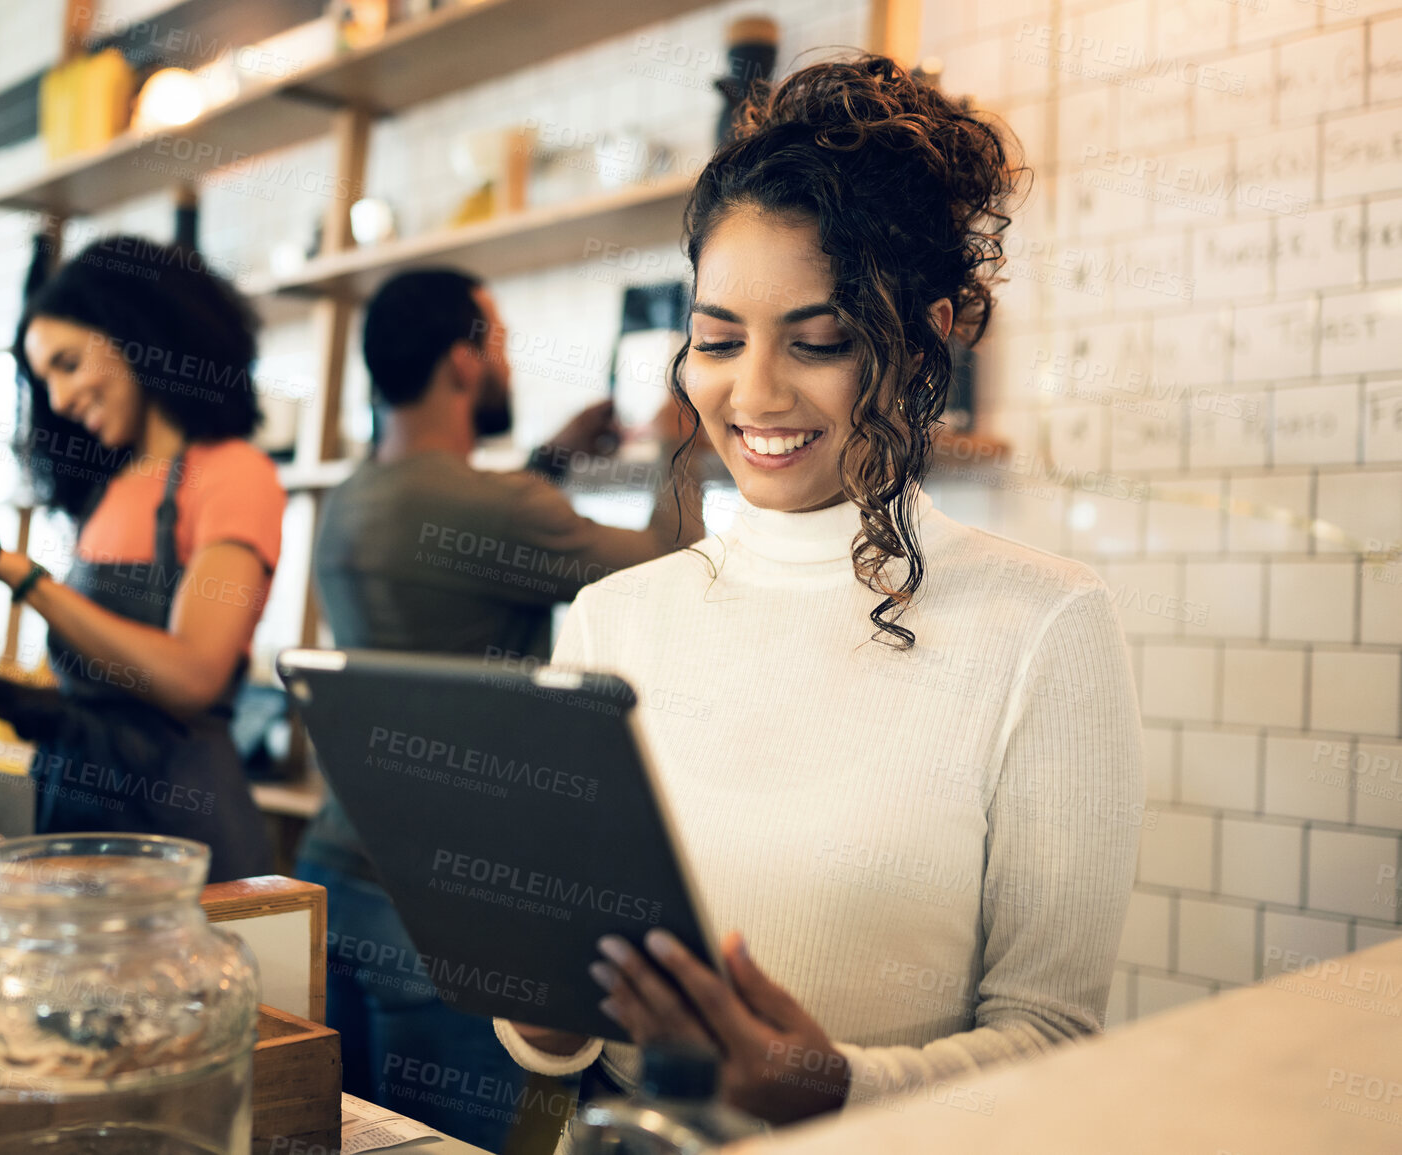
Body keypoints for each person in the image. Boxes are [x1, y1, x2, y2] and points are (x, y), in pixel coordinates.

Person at [498, 55, 1144, 1128]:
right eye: (715, 340)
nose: (752, 392)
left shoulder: (1043, 626)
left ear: (927, 333)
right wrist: (551, 1011)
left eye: (820, 341)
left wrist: (819, 1084)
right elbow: (549, 1027)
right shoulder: (617, 617)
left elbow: (1051, 1043)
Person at [295, 267, 714, 1149]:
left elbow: (463, 537)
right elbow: (666, 566)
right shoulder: (501, 509)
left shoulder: (349, 501)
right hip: (445, 911)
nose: (509, 367)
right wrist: (686, 443)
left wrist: (550, 462)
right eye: (502, 344)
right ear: (462, 358)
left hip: (336, 877)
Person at [0, 236, 282, 883]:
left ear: (133, 334)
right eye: (44, 378)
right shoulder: (110, 490)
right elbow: (96, 706)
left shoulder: (233, 474)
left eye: (69, 363)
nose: (57, 399)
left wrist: (22, 576)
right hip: (75, 828)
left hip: (182, 838)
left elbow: (191, 676)